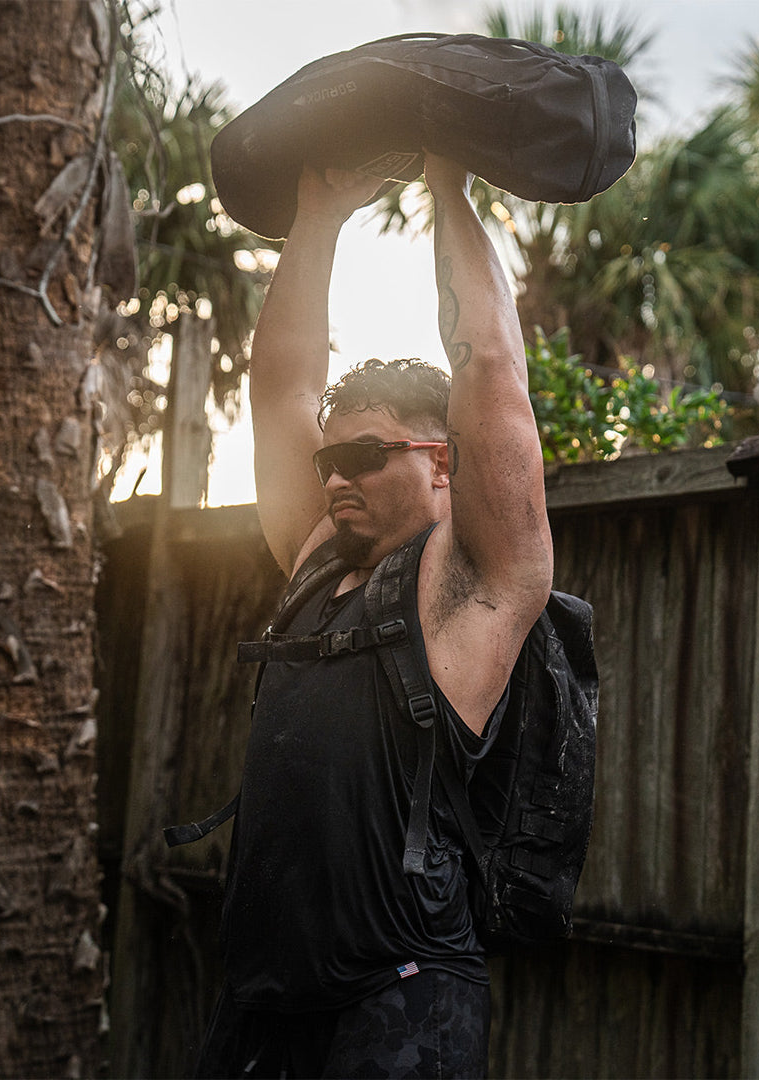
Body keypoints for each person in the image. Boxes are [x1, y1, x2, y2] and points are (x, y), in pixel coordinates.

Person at [196, 153, 553, 1079]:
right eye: (329, 461)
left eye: (364, 453)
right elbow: (276, 387)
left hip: (400, 999)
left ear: (442, 461)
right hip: (265, 991)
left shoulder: (476, 581)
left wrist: (449, 188)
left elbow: (492, 366)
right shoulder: (317, 561)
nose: (337, 477)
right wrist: (316, 214)